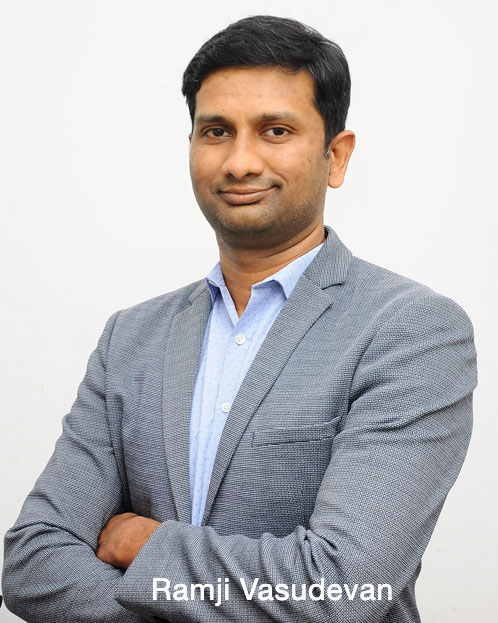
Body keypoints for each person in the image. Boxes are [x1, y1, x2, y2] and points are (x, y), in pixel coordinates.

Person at [2, 15, 477, 623]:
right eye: (216, 131)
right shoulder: (131, 338)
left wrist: (148, 545)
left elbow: (341, 590)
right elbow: (32, 562)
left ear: (336, 156)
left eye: (276, 130)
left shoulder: (410, 331)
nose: (240, 161)